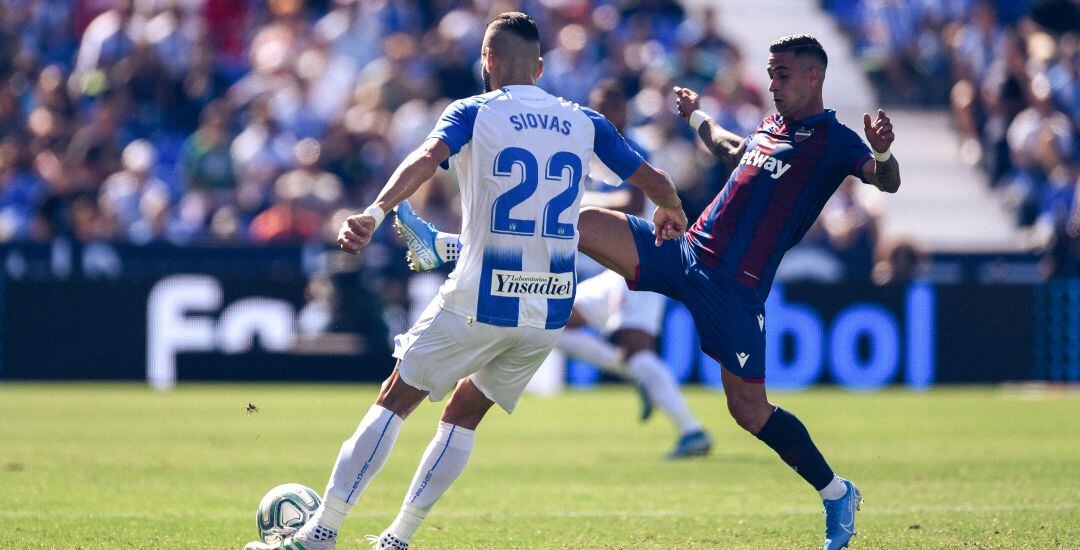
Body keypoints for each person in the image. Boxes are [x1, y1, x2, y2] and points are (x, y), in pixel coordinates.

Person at [399, 34, 901, 550]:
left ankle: (837, 492)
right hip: (683, 249)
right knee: (572, 218)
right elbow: (733, 150)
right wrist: (697, 117)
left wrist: (882, 150)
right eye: (770, 73)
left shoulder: (835, 140)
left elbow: (886, 180)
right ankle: (447, 246)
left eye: (783, 75)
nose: (772, 84)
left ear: (814, 77)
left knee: (749, 411)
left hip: (735, 288)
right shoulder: (773, 127)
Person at [244, 12, 687, 550]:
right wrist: (670, 209)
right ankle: (397, 538)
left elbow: (426, 158)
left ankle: (321, 532)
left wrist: (376, 211)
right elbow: (657, 181)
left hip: (481, 298)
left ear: (488, 62)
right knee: (464, 414)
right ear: (542, 67)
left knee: (395, 400)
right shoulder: (584, 121)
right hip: (547, 310)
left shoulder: (474, 111)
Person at [399, 79, 712, 459]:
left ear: (625, 111)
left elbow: (631, 202)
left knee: (635, 348)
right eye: (599, 103)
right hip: (613, 267)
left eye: (613, 104)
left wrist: (575, 201)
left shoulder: (630, 146)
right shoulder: (587, 138)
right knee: (553, 325)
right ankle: (640, 378)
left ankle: (690, 429)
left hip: (642, 259)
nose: (607, 113)